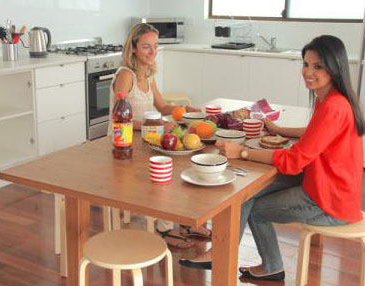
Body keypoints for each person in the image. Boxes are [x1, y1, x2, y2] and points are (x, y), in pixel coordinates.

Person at [179, 35, 364, 281]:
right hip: (326, 184)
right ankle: (222, 251)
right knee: (246, 192)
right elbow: (314, 134)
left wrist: (242, 152)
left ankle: (270, 265)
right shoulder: (331, 99)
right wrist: (279, 130)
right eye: (306, 64)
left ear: (334, 67)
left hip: (329, 201)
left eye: (317, 66)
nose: (308, 72)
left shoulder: (332, 106)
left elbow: (294, 161)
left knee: (257, 209)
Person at [110, 23, 211, 248]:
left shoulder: (148, 73)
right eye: (146, 47)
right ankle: (164, 229)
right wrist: (153, 125)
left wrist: (185, 110)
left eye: (155, 46)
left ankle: (184, 221)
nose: (152, 52)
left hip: (148, 140)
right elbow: (119, 118)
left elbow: (163, 106)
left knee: (186, 165)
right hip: (127, 145)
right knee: (168, 174)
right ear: (133, 48)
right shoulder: (126, 75)